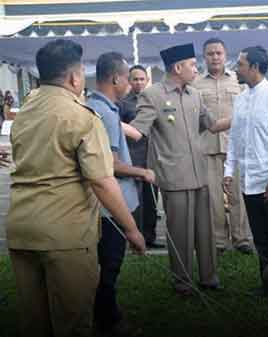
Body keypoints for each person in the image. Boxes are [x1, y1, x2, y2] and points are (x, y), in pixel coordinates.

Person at [6, 39, 145, 337]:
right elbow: (101, 179)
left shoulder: (24, 113)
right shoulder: (81, 116)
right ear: (73, 77)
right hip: (63, 234)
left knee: (34, 323)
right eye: (82, 71)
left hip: (21, 229)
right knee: (73, 323)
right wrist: (131, 228)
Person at [124, 43, 231, 296]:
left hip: (199, 173)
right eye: (193, 64)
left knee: (204, 231)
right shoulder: (153, 95)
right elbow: (138, 130)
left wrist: (244, 115)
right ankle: (182, 281)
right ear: (177, 67)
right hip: (173, 175)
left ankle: (209, 277)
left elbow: (212, 126)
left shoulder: (195, 94)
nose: (197, 68)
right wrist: (105, 120)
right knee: (180, 233)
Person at [86, 52, 154, 336]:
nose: (129, 82)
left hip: (97, 206)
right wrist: (142, 172)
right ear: (116, 78)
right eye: (127, 76)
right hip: (110, 206)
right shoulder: (106, 113)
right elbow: (109, 166)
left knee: (102, 266)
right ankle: (109, 322)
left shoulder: (93, 105)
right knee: (109, 267)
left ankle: (103, 315)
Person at [223, 46, 268, 294]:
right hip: (249, 181)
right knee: (261, 238)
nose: (235, 68)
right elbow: (235, 138)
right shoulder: (241, 98)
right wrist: (228, 170)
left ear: (254, 67)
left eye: (240, 64)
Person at [194, 37, 252, 255]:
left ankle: (242, 238)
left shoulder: (239, 81)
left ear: (225, 56)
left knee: (238, 194)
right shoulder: (196, 84)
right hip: (207, 148)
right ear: (204, 57)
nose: (215, 57)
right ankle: (219, 240)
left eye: (218, 53)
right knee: (213, 198)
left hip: (235, 147)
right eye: (210, 53)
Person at [118, 64, 164, 249]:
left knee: (151, 198)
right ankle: (136, 238)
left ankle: (150, 237)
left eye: (142, 79)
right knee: (136, 200)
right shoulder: (123, 103)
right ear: (129, 81)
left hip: (152, 154)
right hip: (133, 157)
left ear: (147, 81)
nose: (138, 82)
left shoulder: (153, 100)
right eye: (135, 79)